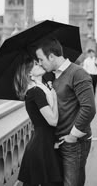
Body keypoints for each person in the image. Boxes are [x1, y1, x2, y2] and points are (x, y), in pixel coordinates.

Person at [36, 38, 96, 186]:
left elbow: (89, 108)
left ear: (51, 56)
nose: (39, 63)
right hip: (57, 142)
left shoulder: (78, 73)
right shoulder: (51, 76)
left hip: (73, 144)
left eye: (41, 59)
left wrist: (72, 136)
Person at [14, 54, 63, 186]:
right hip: (43, 146)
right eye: (36, 64)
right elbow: (53, 121)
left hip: (45, 141)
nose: (40, 64)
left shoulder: (43, 88)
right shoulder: (36, 92)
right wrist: (55, 99)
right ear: (30, 73)